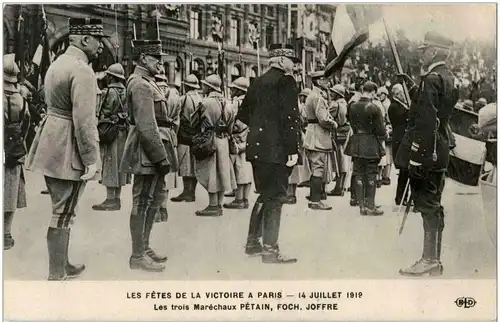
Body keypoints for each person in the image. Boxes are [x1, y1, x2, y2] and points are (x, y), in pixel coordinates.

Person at [26, 18, 105, 280]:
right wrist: (92, 159)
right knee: (64, 212)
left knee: (61, 209)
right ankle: (56, 273)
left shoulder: (57, 63)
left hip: (51, 142)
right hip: (68, 146)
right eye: (97, 41)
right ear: (84, 39)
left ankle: (63, 264)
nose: (100, 48)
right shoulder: (82, 70)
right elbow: (84, 121)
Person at [396, 31, 458, 276]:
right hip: (440, 148)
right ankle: (434, 260)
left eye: (423, 50)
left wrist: (416, 155)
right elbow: (436, 109)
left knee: (426, 203)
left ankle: (429, 259)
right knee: (434, 202)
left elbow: (425, 120)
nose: (421, 54)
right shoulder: (447, 77)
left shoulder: (431, 79)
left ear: (433, 51)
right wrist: (413, 87)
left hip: (427, 151)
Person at [237, 43, 301, 263]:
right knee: (275, 198)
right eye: (292, 60)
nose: (294, 64)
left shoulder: (257, 81)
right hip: (277, 150)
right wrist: (293, 150)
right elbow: (290, 119)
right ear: (282, 60)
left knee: (265, 194)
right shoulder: (287, 81)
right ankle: (270, 250)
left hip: (257, 148)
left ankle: (253, 243)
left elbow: (243, 115)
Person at [120, 39, 173, 272]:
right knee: (142, 201)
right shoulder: (140, 84)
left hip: (152, 148)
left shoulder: (148, 82)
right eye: (155, 58)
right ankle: (137, 254)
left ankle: (144, 246)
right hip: (146, 150)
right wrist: (160, 157)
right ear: (143, 58)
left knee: (152, 200)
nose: (160, 63)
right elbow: (146, 124)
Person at [194, 74, 236, 217]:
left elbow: (195, 122)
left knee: (211, 171)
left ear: (209, 87)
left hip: (209, 139)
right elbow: (231, 126)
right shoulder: (228, 103)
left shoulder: (205, 102)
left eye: (205, 85)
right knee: (223, 171)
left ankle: (212, 205)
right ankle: (219, 204)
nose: (203, 87)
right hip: (224, 140)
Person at [92, 63, 130, 211]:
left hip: (110, 131)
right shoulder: (126, 91)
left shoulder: (108, 92)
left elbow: (103, 112)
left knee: (109, 163)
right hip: (123, 132)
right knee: (120, 164)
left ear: (111, 76)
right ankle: (117, 198)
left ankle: (110, 199)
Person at [344, 81, 385, 216]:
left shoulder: (352, 106)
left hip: (356, 143)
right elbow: (381, 131)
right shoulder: (374, 108)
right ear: (373, 92)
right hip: (371, 144)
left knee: (359, 174)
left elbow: (349, 121)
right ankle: (371, 205)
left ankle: (362, 206)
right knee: (371, 174)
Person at [3, 54, 29, 250]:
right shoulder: (21, 98)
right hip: (14, 150)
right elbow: (26, 124)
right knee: (11, 192)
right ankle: (6, 234)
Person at [303, 70, 337, 210]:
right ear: (318, 81)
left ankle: (314, 199)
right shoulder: (318, 97)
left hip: (312, 133)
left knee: (316, 168)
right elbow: (323, 118)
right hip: (318, 135)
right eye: (325, 79)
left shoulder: (312, 95)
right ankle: (315, 201)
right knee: (318, 169)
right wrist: (333, 123)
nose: (328, 82)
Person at [154, 66, 181, 222]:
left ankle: (155, 210)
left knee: (155, 173)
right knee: (168, 173)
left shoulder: (151, 91)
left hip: (156, 135)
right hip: (170, 136)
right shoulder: (175, 95)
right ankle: (164, 209)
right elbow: (177, 121)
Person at [171, 74, 202, 202]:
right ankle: (192, 193)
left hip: (184, 135)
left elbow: (177, 117)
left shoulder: (183, 99)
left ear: (186, 86)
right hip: (196, 136)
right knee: (194, 165)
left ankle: (186, 191)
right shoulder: (201, 98)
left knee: (185, 164)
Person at [224, 76, 253, 209]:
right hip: (249, 137)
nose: (231, 91)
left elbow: (235, 123)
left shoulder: (237, 103)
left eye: (233, 89)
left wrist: (229, 130)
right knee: (246, 168)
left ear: (238, 91)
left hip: (238, 137)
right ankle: (245, 198)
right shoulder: (252, 102)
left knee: (239, 168)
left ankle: (239, 199)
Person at [388, 84, 410, 206]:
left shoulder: (400, 105)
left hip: (402, 139)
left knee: (405, 171)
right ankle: (401, 197)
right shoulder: (394, 106)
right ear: (397, 94)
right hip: (400, 140)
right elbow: (403, 117)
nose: (404, 96)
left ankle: (402, 197)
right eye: (402, 93)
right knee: (404, 170)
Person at [287, 87, 311, 203]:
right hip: (298, 136)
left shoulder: (288, 106)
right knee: (295, 165)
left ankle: (289, 194)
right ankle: (292, 194)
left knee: (289, 165)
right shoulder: (301, 107)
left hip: (289, 138)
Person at [328, 84, 351, 197]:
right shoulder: (344, 103)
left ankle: (338, 187)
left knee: (338, 162)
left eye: (333, 92)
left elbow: (327, 116)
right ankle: (341, 186)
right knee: (343, 160)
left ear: (337, 94)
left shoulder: (335, 104)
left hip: (337, 134)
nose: (330, 93)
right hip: (344, 134)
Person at [378, 86, 392, 185]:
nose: (379, 96)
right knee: (386, 154)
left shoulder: (387, 104)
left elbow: (388, 119)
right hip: (387, 128)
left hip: (388, 129)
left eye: (381, 94)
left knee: (387, 154)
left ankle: (386, 176)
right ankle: (385, 175)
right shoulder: (384, 103)